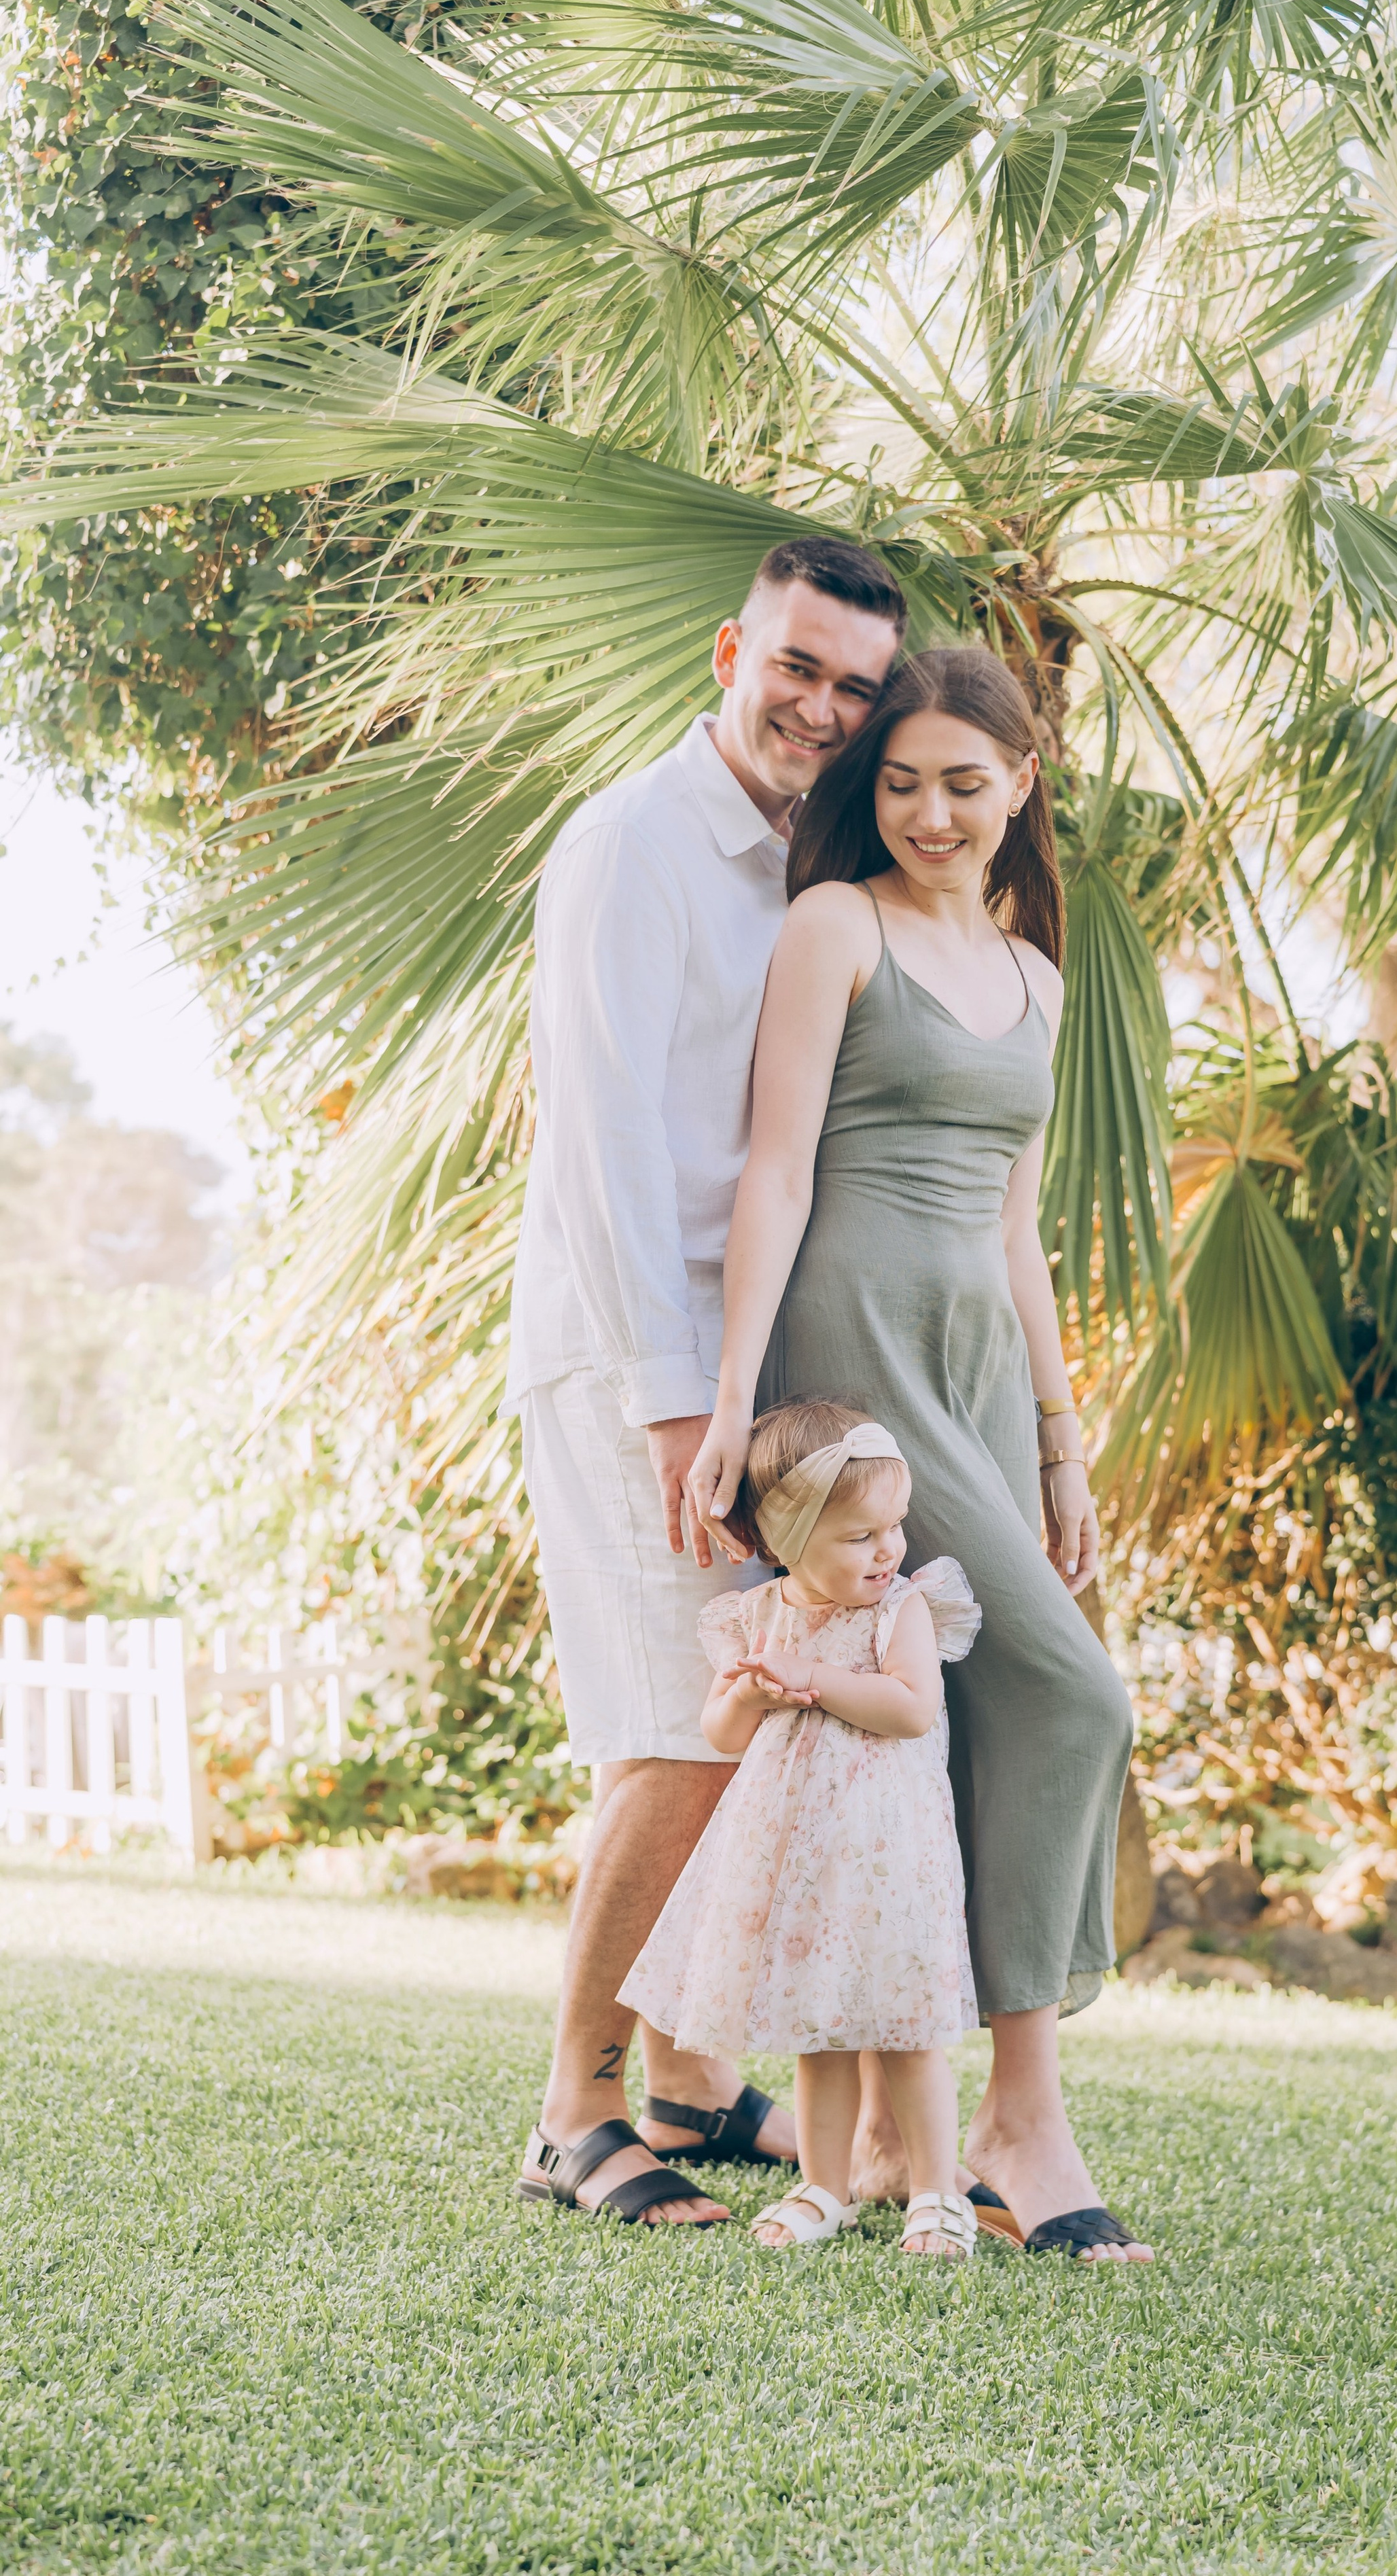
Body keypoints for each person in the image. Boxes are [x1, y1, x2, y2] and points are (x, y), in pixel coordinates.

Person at [688, 646, 1152, 2261]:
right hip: (859, 1358)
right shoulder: (838, 926)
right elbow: (773, 1170)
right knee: (1071, 1687)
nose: (930, 809)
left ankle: (903, 2136)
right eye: (898, 780)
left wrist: (1057, 1428)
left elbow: (1017, 1229)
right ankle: (1020, 2117)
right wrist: (741, 1396)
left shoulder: (1034, 971)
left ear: (1021, 781)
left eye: (963, 780)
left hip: (972, 1365)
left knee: (949, 1728)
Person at [508, 537, 907, 2230]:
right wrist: (678, 1406)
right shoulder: (633, 846)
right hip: (632, 1357)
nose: (819, 707)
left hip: (731, 1362)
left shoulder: (791, 866)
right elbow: (601, 1148)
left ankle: (680, 2077)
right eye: (795, 668)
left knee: (736, 1723)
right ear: (731, 648)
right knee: (677, 1731)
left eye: (853, 687)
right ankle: (571, 2110)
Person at [623, 1399, 983, 2257]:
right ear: (789, 1537)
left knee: (906, 2031)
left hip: (890, 1856)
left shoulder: (902, 1607)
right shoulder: (759, 1617)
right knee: (816, 2032)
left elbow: (909, 1707)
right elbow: (722, 1731)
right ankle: (824, 2187)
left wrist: (814, 1676)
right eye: (862, 1535)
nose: (888, 1548)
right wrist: (750, 1690)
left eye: (893, 1526)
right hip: (798, 1860)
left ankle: (937, 2192)